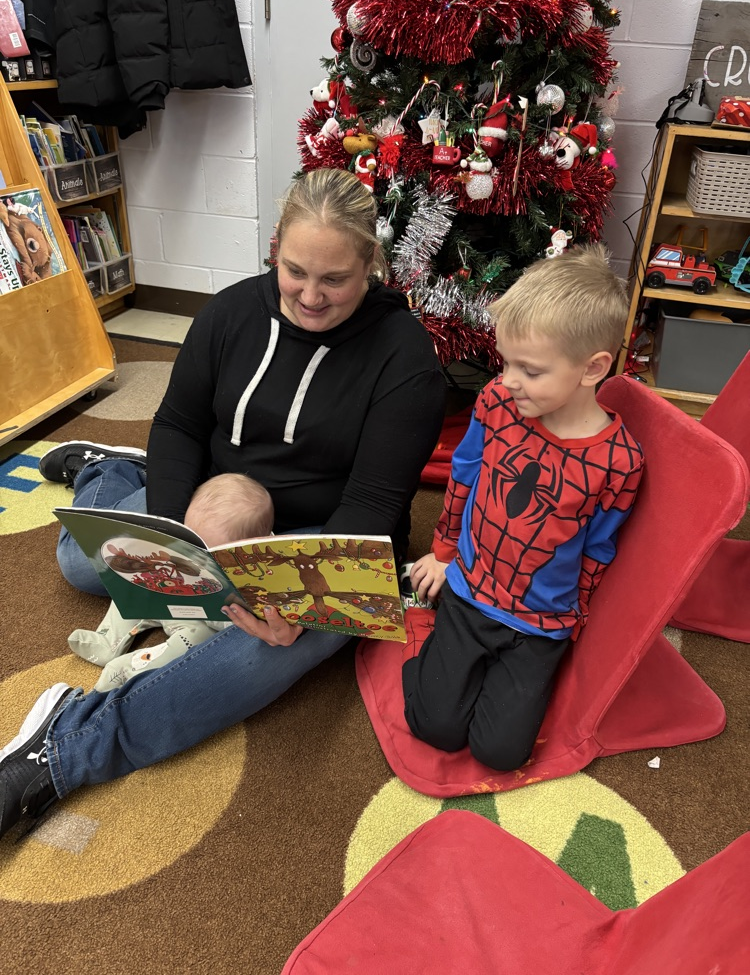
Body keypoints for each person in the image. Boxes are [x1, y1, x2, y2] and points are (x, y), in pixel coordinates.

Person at [0, 167, 446, 839]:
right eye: (295, 271)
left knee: (268, 649)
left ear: (372, 267)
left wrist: (295, 602)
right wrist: (176, 536)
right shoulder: (231, 313)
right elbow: (179, 423)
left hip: (330, 532)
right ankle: (109, 469)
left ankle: (66, 751)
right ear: (274, 248)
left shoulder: (405, 360)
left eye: (336, 280)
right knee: (84, 565)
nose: (311, 296)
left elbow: (377, 500)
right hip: (220, 501)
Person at [402, 245, 644, 772]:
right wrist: (443, 553)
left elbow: (601, 544)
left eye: (529, 369)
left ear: (593, 368)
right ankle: (435, 654)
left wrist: (576, 617)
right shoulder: (495, 402)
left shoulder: (620, 462)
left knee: (501, 753)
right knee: (436, 728)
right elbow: (464, 475)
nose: (508, 379)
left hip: (541, 622)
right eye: (505, 360)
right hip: (469, 590)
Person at [69, 473, 274, 692]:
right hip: (168, 593)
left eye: (210, 554)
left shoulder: (261, 572)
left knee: (192, 644)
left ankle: (127, 669)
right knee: (131, 587)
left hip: (201, 622)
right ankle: (109, 640)